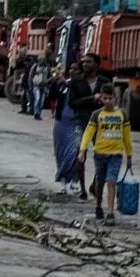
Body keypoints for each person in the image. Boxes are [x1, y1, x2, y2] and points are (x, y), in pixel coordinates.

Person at [84, 82, 134, 222]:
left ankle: (111, 213)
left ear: (115, 98)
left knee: (111, 181)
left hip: (116, 155)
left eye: (110, 98)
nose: (107, 101)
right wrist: (83, 150)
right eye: (105, 98)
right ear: (101, 99)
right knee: (100, 182)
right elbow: (89, 132)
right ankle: (98, 206)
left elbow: (127, 136)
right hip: (100, 154)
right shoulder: (97, 114)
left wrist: (129, 155)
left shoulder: (122, 115)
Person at [49, 69, 87, 197]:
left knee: (76, 151)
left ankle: (75, 180)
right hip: (61, 124)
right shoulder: (63, 86)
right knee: (61, 152)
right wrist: (55, 83)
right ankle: (63, 181)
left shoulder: (83, 87)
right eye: (71, 69)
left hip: (76, 124)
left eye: (76, 69)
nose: (73, 72)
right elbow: (52, 97)